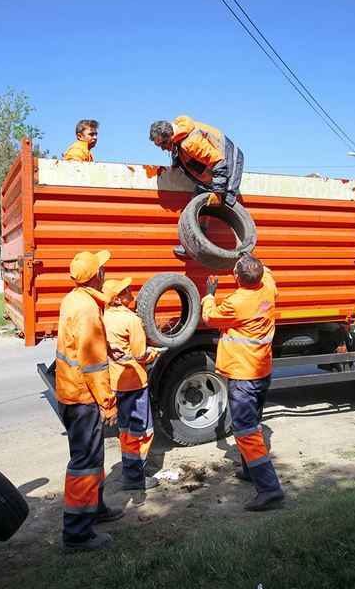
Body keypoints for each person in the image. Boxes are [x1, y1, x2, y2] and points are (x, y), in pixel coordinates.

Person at [201, 252, 284, 511]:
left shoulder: (236, 302)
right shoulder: (268, 288)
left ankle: (270, 490)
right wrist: (249, 258)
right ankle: (250, 471)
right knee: (254, 423)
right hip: (261, 371)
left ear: (237, 277)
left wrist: (209, 294)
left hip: (243, 376)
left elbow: (210, 317)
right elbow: (266, 271)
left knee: (246, 432)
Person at [56, 250, 124, 554]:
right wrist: (108, 404)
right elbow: (93, 366)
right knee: (85, 463)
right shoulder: (87, 310)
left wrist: (106, 346)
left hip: (70, 391)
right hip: (83, 397)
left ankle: (95, 508)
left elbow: (79, 344)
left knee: (91, 458)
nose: (105, 272)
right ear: (97, 276)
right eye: (102, 269)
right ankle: (76, 534)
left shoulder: (74, 299)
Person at [149, 114, 244, 256]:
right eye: (158, 146)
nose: (162, 148)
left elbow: (219, 163)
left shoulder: (190, 142)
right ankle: (196, 244)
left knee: (226, 201)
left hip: (229, 162)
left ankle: (243, 252)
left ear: (170, 134)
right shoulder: (179, 136)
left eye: (163, 144)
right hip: (214, 167)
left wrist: (218, 192)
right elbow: (185, 154)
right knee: (198, 200)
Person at [102, 277, 161, 491]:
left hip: (116, 382)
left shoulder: (104, 316)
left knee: (126, 430)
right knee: (142, 431)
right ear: (117, 299)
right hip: (134, 383)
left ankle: (130, 470)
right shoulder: (131, 320)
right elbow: (140, 354)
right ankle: (135, 478)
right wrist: (155, 353)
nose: (130, 291)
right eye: (125, 290)